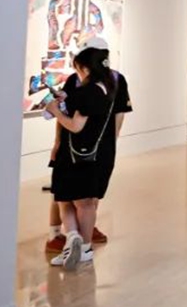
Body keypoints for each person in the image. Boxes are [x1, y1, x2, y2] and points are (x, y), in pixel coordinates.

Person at [45, 39, 127, 269]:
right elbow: (119, 116)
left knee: (65, 198)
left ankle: (70, 237)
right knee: (89, 202)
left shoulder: (84, 90)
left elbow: (75, 125)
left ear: (85, 65)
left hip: (74, 153)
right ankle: (84, 247)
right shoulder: (112, 84)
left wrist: (55, 112)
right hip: (100, 152)